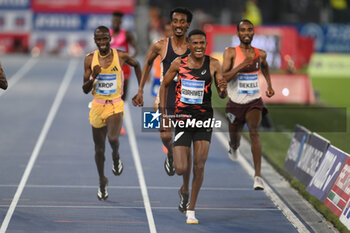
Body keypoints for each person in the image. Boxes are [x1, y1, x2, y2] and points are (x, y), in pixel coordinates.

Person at [159, 29, 227, 224]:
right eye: (195, 43)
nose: (199, 46)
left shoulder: (213, 64)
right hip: (183, 119)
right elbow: (164, 85)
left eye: (202, 43)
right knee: (181, 168)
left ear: (206, 45)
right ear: (189, 45)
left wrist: (223, 89)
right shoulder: (178, 64)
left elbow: (222, 93)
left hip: (204, 120)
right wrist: (163, 115)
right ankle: (183, 187)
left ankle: (191, 209)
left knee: (199, 165)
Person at [82, 26, 141, 200]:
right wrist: (93, 77)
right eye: (98, 40)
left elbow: (137, 65)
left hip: (115, 104)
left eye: (104, 39)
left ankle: (116, 156)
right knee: (99, 150)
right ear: (95, 40)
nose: (101, 43)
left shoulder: (120, 56)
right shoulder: (89, 60)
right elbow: (85, 90)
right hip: (97, 106)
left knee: (113, 138)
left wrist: (140, 90)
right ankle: (102, 181)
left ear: (110, 39)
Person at [132, 8, 193, 176]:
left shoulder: (193, 47)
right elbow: (147, 63)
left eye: (182, 22)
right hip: (165, 94)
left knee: (184, 140)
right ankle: (171, 154)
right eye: (175, 21)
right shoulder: (161, 46)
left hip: (186, 97)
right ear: (171, 24)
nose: (178, 25)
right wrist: (140, 90)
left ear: (187, 24)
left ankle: (185, 178)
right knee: (165, 135)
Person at [222, 19, 274, 190]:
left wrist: (269, 85)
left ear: (253, 32)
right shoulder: (231, 52)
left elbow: (265, 67)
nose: (246, 33)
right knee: (235, 139)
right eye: (243, 30)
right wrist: (242, 65)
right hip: (235, 102)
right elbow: (224, 77)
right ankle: (233, 147)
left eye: (249, 30)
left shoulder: (261, 54)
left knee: (254, 132)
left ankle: (258, 176)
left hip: (254, 100)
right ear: (238, 34)